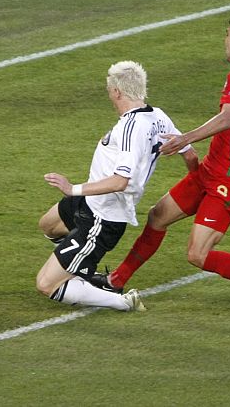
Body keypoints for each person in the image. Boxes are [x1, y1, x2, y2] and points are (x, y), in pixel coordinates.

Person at [90, 5, 230, 318]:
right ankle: (115, 280)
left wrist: (187, 138)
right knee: (158, 216)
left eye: (228, 36)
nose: (225, 41)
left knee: (197, 254)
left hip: (229, 182)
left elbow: (228, 118)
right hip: (212, 172)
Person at [35, 60, 198, 312]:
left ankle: (121, 301)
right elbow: (190, 155)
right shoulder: (158, 117)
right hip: (91, 201)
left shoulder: (130, 128)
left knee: (46, 284)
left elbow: (121, 181)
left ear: (117, 92)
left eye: (109, 88)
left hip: (102, 217)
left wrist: (72, 189)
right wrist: (197, 185)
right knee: (48, 225)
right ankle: (78, 266)